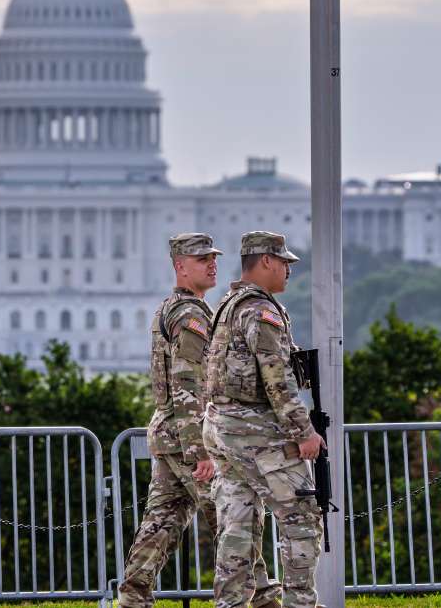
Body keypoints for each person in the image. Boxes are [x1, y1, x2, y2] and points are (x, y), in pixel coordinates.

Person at [118, 234, 281, 608]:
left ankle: (132, 596)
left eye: (212, 258)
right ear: (179, 266)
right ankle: (262, 598)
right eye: (201, 259)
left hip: (170, 434)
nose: (211, 264)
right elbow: (186, 385)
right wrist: (200, 451)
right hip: (189, 438)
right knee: (233, 517)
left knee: (161, 523)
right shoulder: (190, 314)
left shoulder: (173, 308)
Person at [202, 231, 325, 608]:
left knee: (237, 523)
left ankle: (231, 604)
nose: (289, 270)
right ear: (267, 262)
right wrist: (304, 432)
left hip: (221, 425)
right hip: (256, 430)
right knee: (302, 518)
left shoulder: (229, 303)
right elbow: (276, 377)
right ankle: (300, 603)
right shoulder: (261, 310)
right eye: (284, 262)